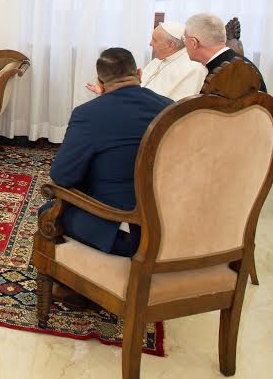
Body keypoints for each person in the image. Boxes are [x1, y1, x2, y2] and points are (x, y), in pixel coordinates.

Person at [46, 48, 172, 257]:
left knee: (48, 212)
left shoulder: (88, 114)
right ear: (139, 74)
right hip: (168, 221)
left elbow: (62, 176)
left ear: (100, 82)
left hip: (123, 227)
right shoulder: (169, 107)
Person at [85, 22, 206, 100]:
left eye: (155, 40)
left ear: (170, 45)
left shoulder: (194, 69)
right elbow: (133, 90)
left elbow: (177, 110)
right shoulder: (159, 60)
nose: (150, 44)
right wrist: (106, 91)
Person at [184, 13, 267, 93]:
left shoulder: (222, 74)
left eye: (184, 38)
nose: (184, 43)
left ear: (194, 43)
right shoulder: (239, 64)